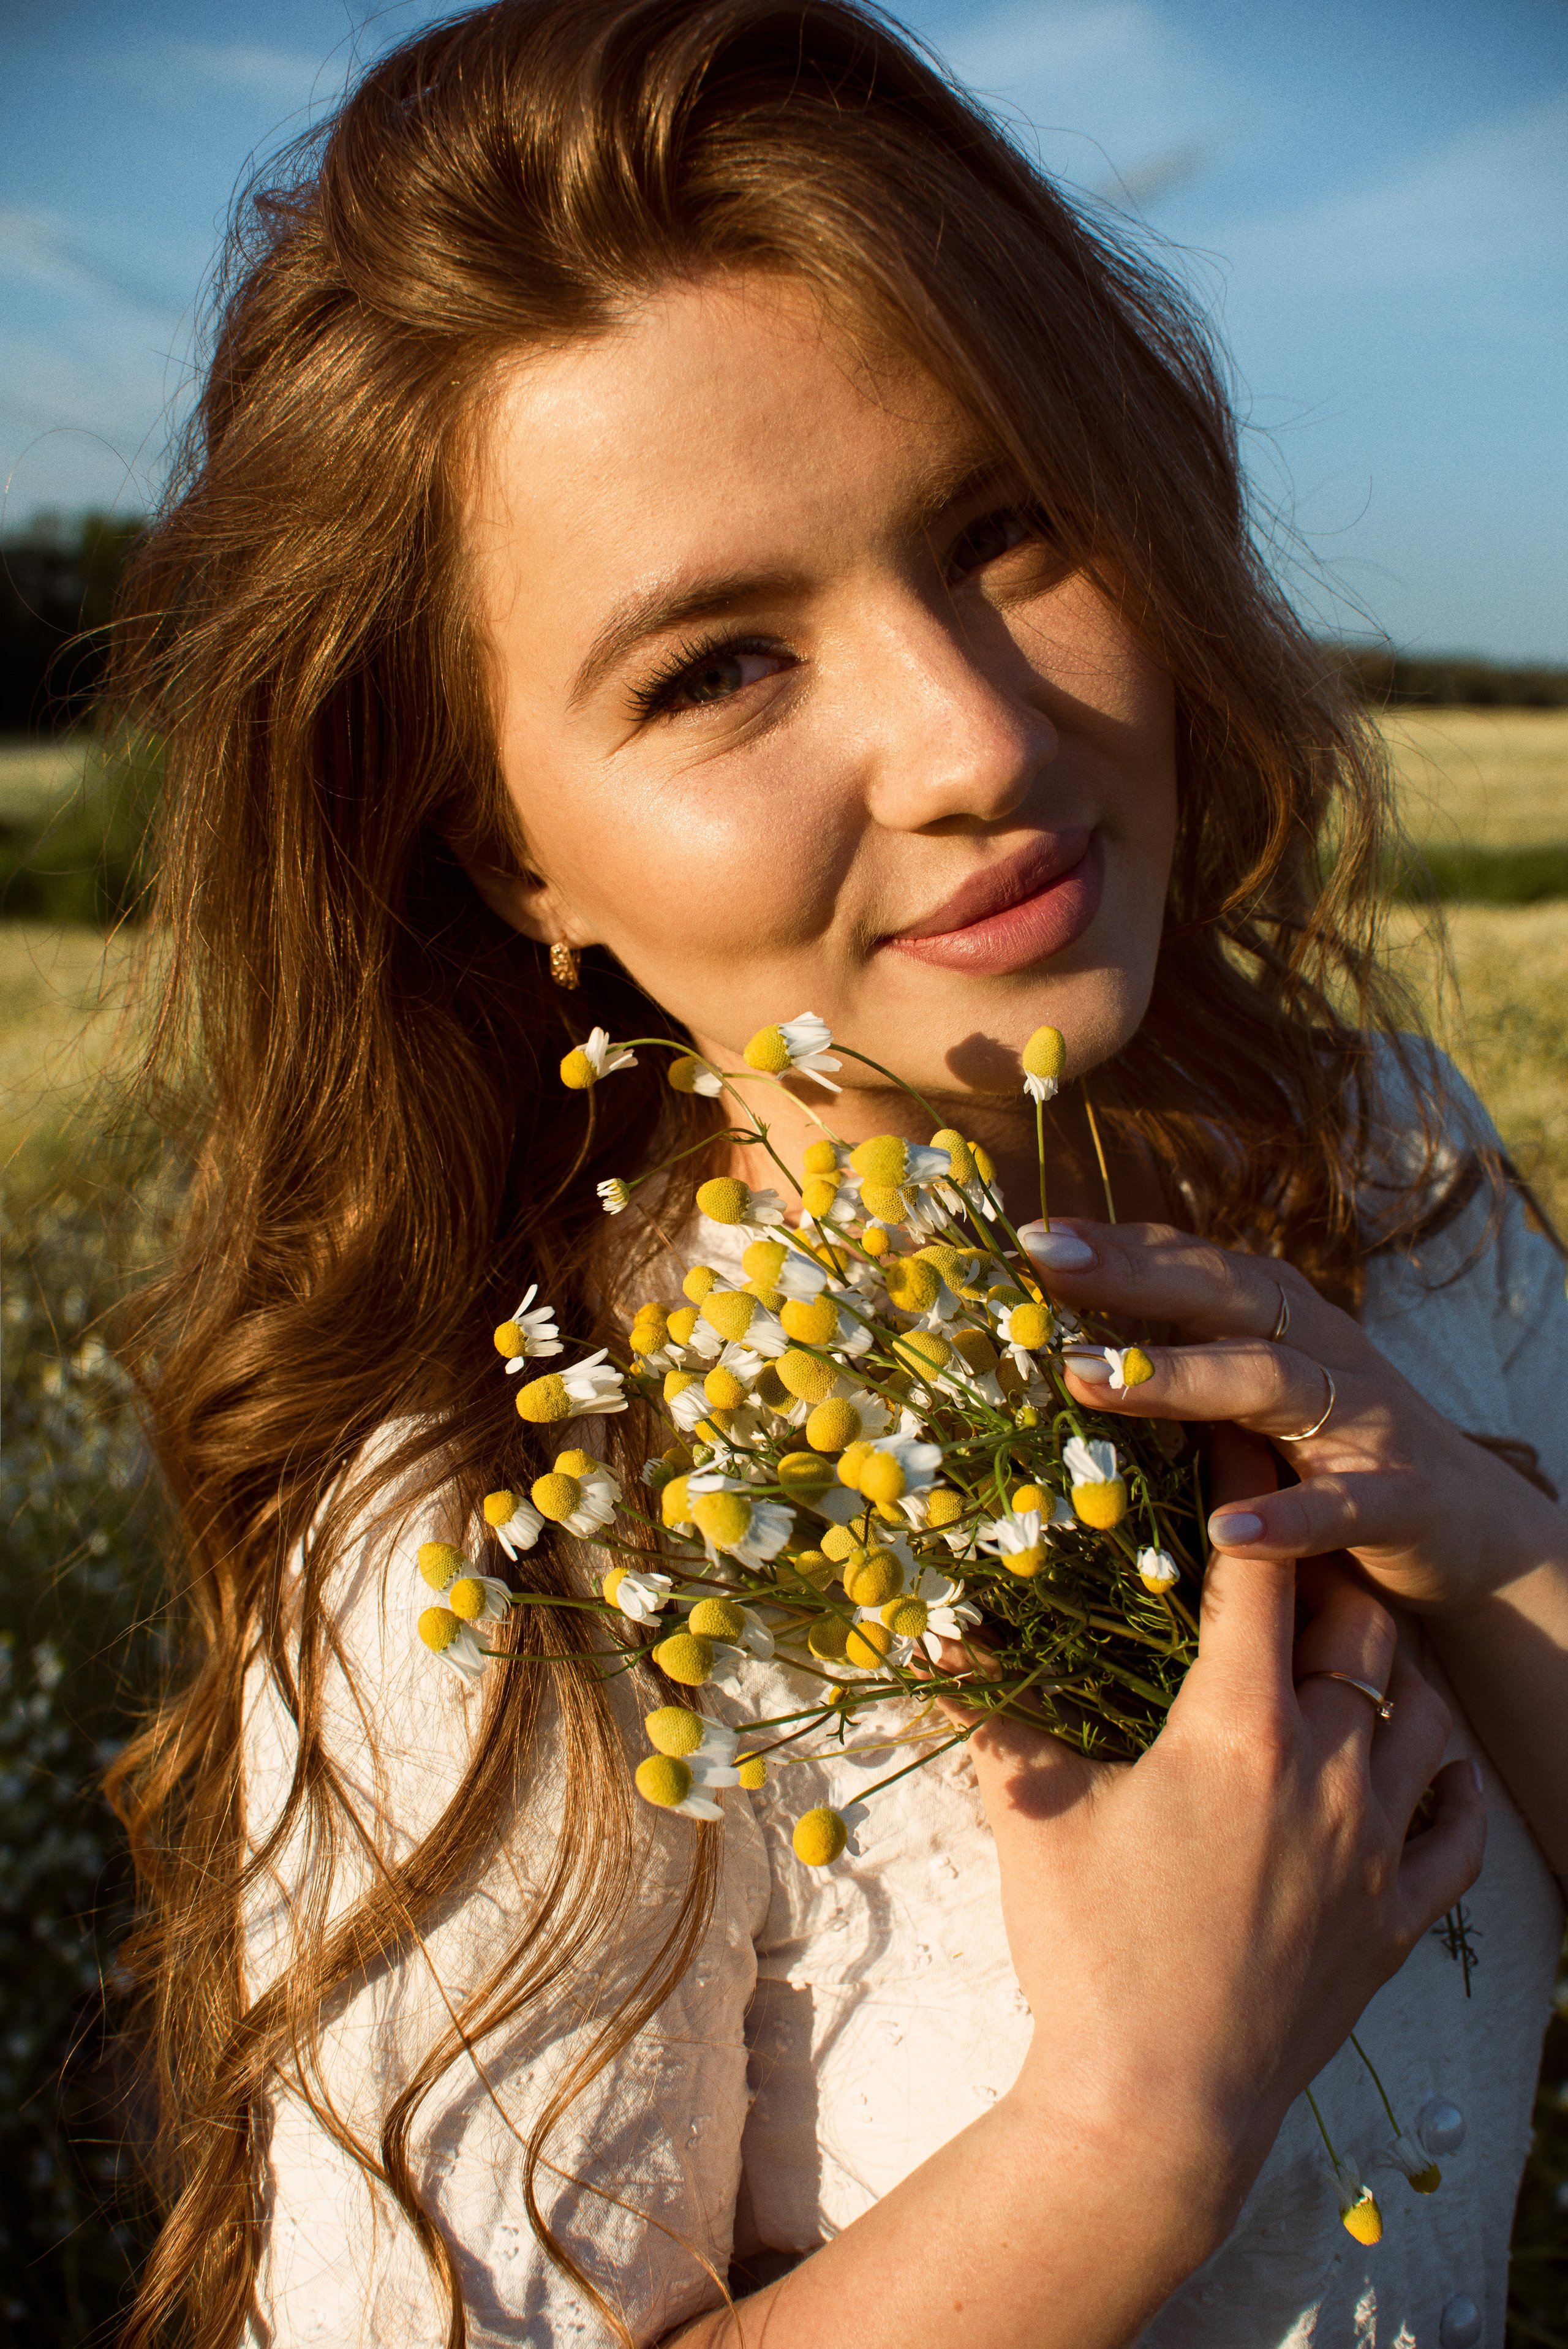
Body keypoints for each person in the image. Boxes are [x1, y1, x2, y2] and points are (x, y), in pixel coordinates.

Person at [104, 4, 1567, 2345]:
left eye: (1009, 525)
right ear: (504, 851)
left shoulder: (1392, 1164)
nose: (978, 737)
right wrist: (1120, 2142)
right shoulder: (507, 1542)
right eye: (716, 670)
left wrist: (1482, 1542)